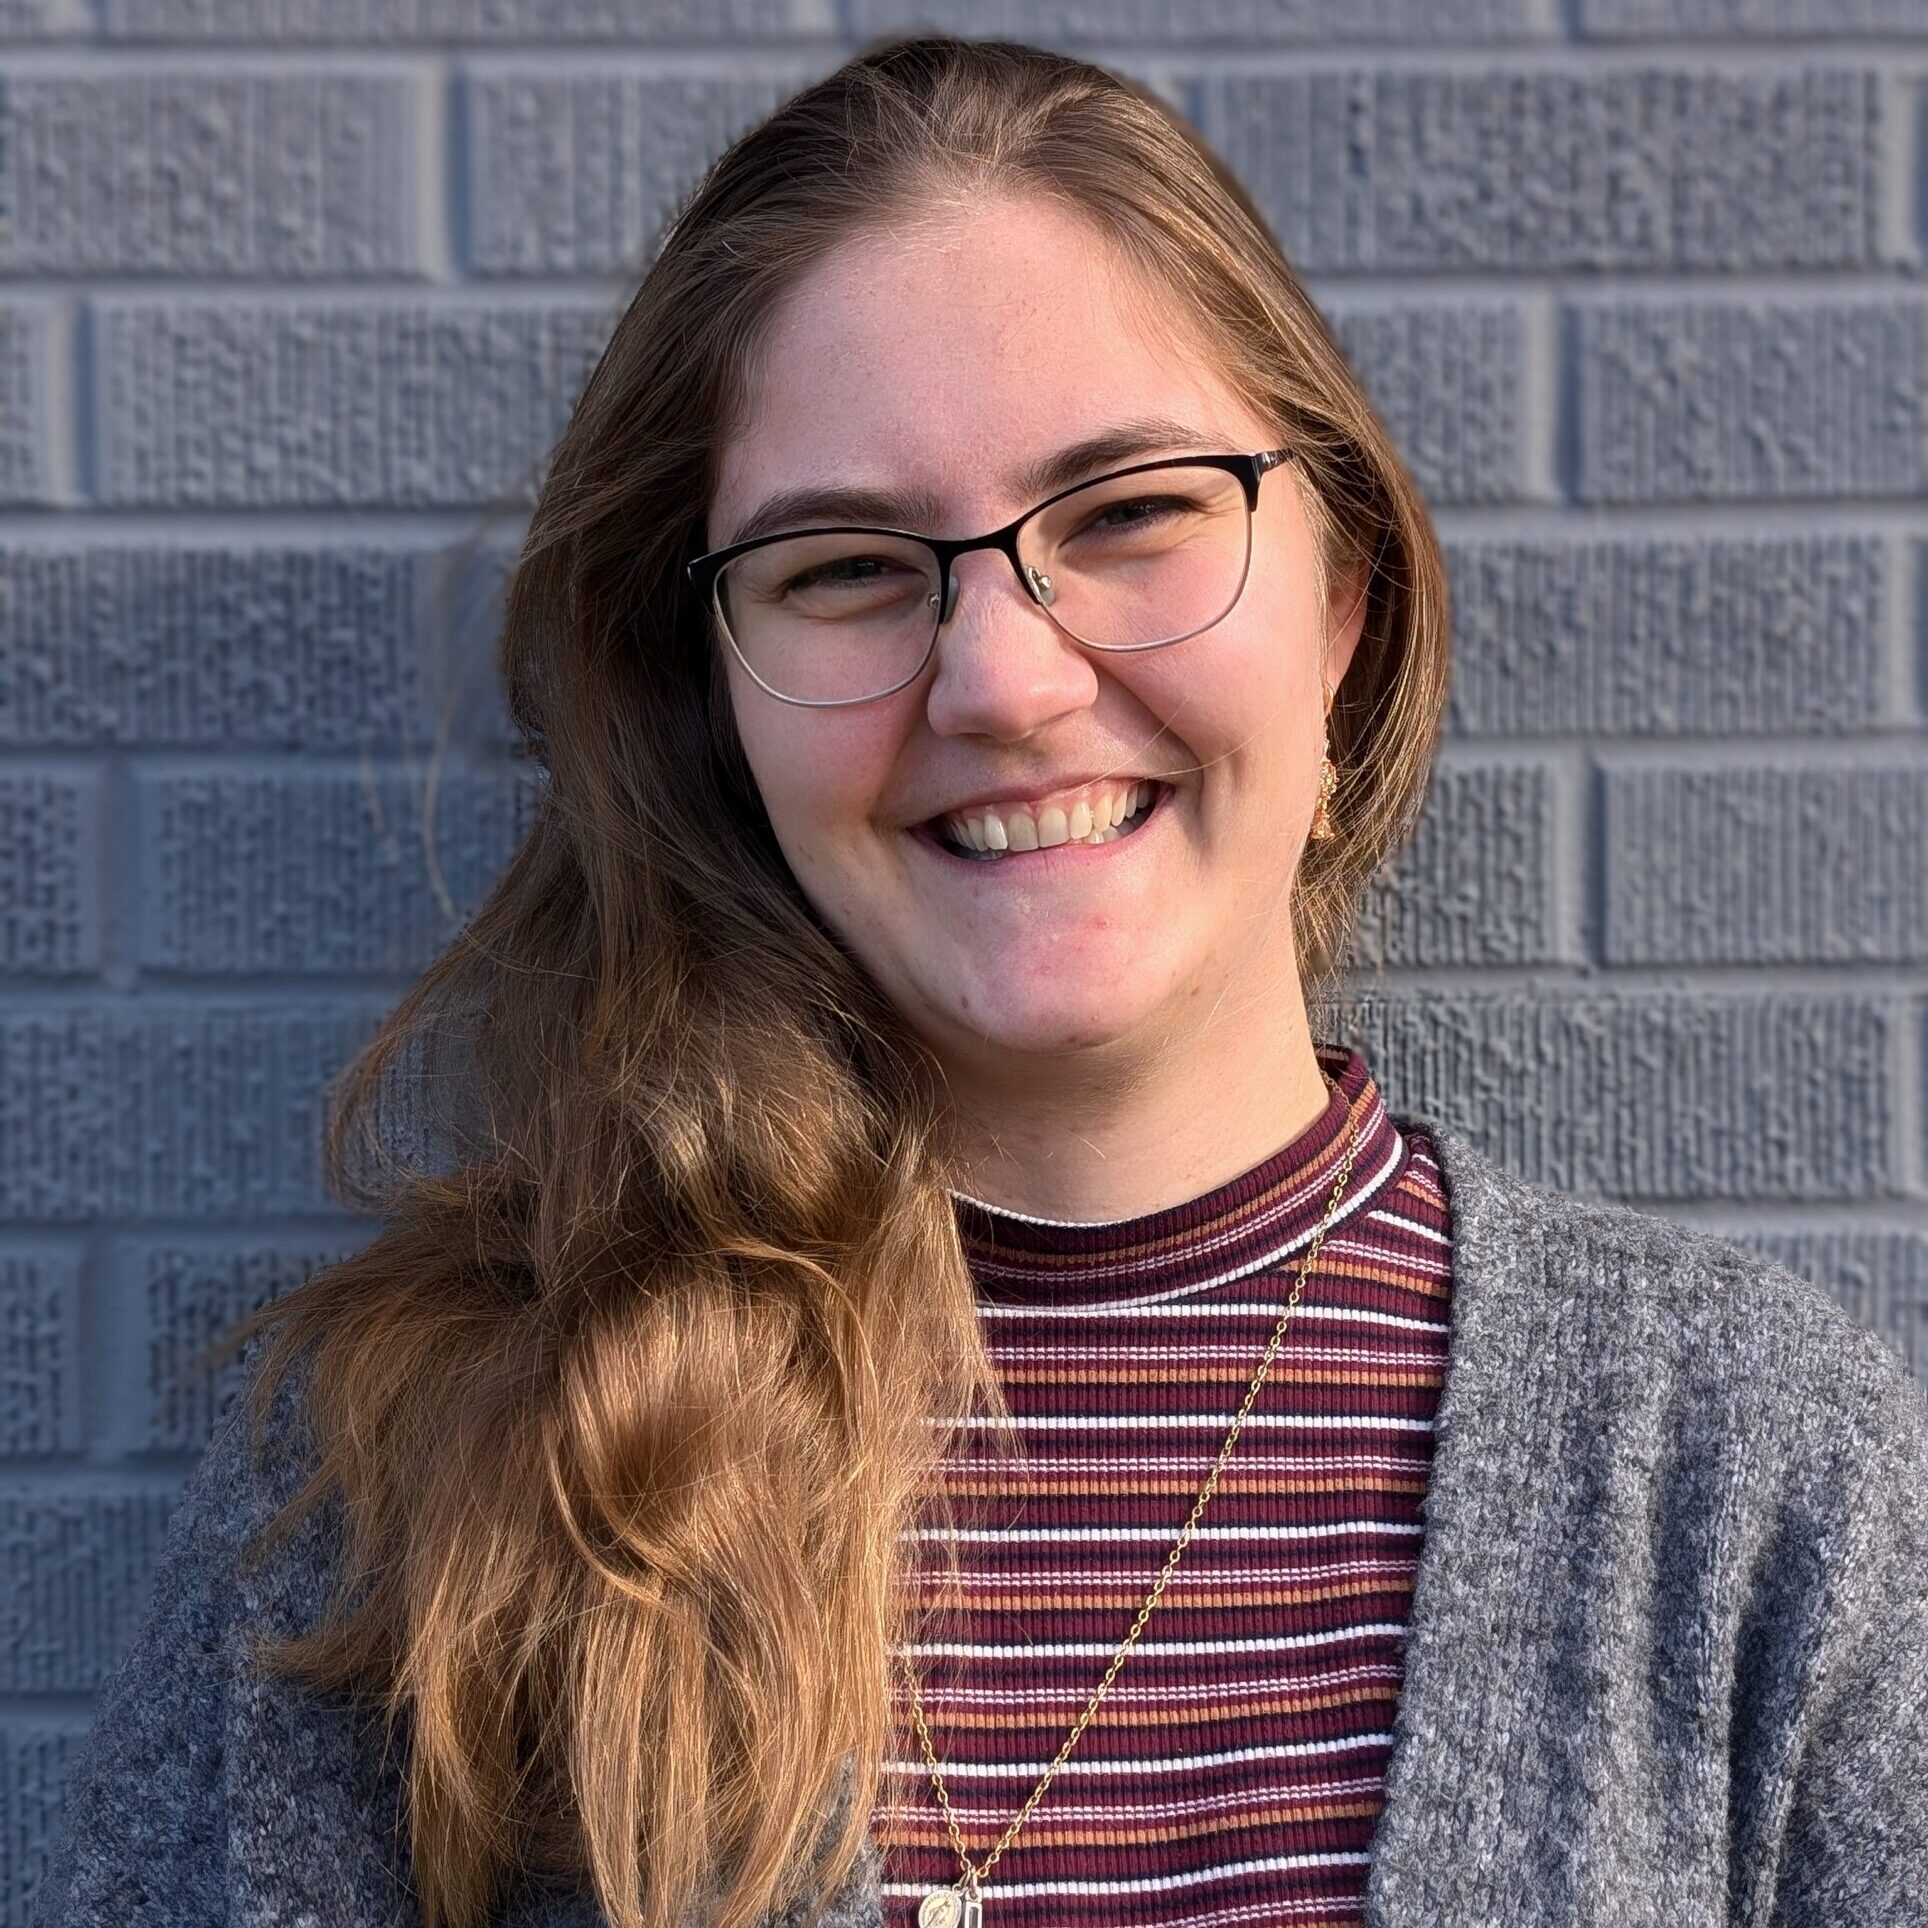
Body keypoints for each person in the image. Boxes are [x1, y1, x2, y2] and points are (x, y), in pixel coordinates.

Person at [30, 33, 1928, 1928]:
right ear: (714, 704)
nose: (1005, 684)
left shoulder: (1754, 1487)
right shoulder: (416, 1478)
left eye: (1130, 517)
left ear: (1340, 607)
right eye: (848, 567)